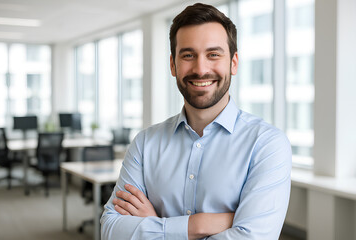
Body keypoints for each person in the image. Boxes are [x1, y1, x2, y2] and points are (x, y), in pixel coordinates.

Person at [101, 3, 292, 240]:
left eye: (213, 54)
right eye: (188, 55)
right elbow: (111, 229)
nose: (201, 69)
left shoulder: (266, 145)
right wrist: (199, 225)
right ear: (173, 65)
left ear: (233, 63)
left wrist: (157, 226)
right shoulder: (145, 143)